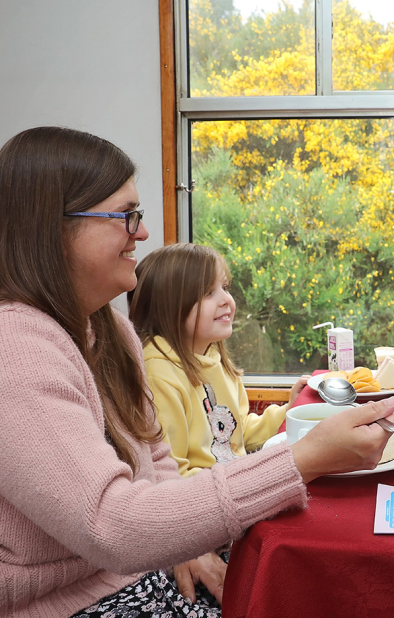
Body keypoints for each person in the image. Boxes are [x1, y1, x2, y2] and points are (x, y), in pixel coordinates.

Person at [0, 126, 394, 618]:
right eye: (125, 216)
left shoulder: (111, 331)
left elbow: (157, 458)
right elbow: (113, 525)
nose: (141, 234)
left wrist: (178, 548)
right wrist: (300, 462)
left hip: (110, 573)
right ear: (55, 228)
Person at [127, 243, 310, 605]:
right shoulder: (160, 372)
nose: (226, 299)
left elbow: (237, 431)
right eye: (209, 293)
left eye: (224, 287)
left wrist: (288, 413)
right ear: (170, 304)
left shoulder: (213, 358)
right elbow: (169, 475)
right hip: (201, 524)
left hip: (233, 500)